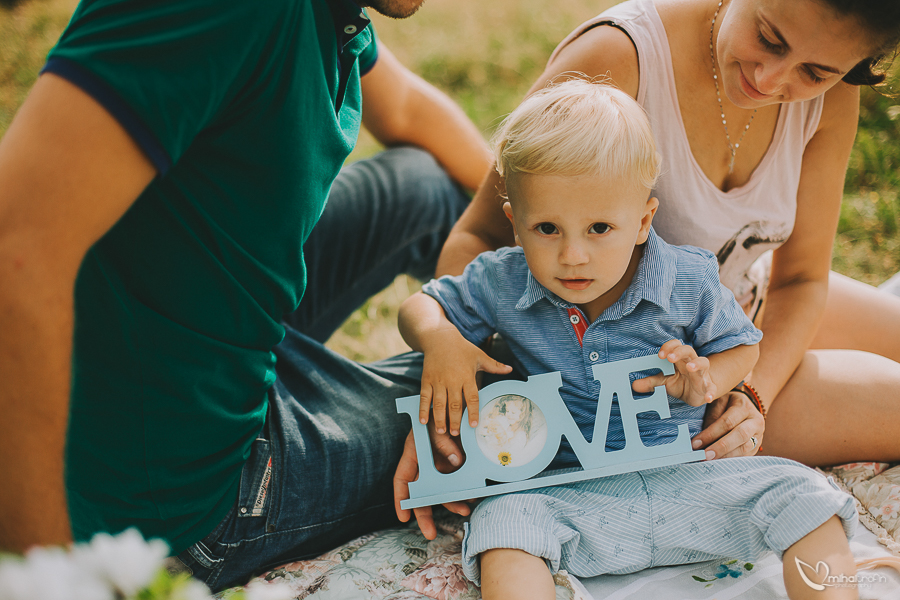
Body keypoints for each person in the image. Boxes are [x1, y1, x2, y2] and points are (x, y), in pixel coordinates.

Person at [0, 0, 494, 591]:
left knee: (427, 186)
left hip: (204, 334)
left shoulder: (329, 11)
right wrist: (54, 579)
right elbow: (16, 256)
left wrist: (540, 234)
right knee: (522, 402)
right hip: (175, 481)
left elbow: (409, 108)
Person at [398, 79, 859, 600]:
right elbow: (420, 306)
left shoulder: (687, 279)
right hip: (568, 493)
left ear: (642, 221)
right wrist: (438, 339)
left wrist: (706, 382)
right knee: (502, 526)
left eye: (599, 228)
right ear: (515, 223)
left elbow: (743, 345)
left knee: (804, 495)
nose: (573, 254)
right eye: (547, 228)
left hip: (692, 477)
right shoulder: (503, 280)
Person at [427, 0, 900, 470]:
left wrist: (752, 394)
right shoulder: (614, 60)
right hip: (648, 370)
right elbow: (480, 236)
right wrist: (465, 399)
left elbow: (800, 279)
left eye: (815, 72)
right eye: (768, 39)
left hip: (741, 314)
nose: (770, 79)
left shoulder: (833, 96)